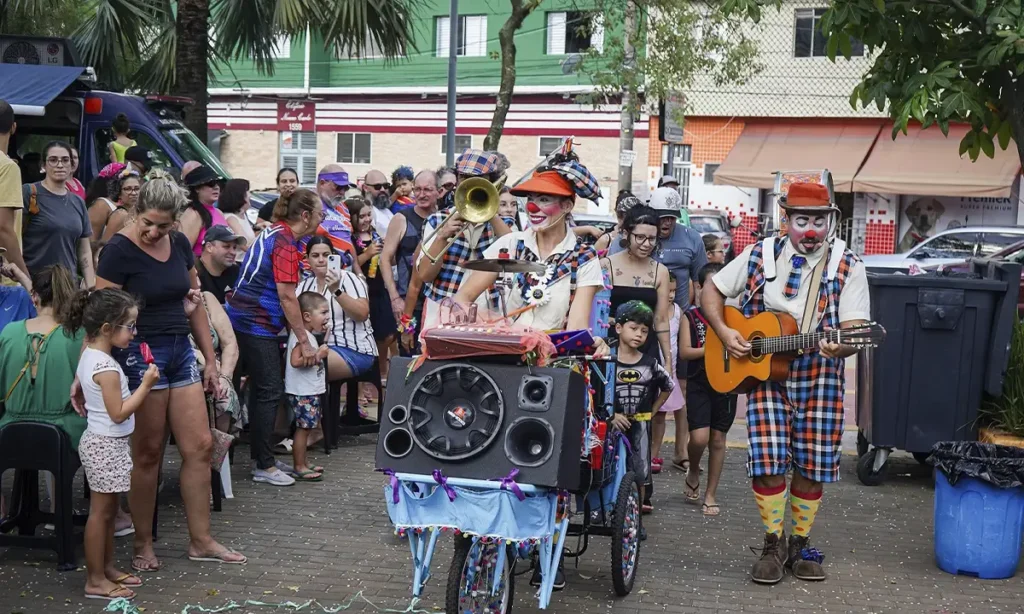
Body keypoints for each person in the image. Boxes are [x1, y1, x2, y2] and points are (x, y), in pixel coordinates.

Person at [702, 181, 870, 584]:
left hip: (820, 374)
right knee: (767, 462)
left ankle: (801, 543)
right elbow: (712, 290)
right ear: (786, 219)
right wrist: (726, 333)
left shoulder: (848, 264)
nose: (810, 230)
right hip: (765, 377)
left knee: (812, 466)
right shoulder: (759, 253)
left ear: (829, 221)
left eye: (818, 221)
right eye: (801, 220)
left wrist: (841, 348)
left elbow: (857, 329)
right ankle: (773, 542)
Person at [95, 170, 244, 572]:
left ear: (176, 222)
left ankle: (201, 540)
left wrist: (211, 360)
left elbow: (193, 298)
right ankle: (143, 543)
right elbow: (102, 317)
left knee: (198, 447)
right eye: (148, 223)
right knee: (148, 452)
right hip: (142, 355)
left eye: (163, 226)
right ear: (136, 212)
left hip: (181, 350)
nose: (153, 232)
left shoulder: (178, 244)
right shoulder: (118, 251)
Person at [227, 188, 324, 487]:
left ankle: (262, 456)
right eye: (319, 213)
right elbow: (286, 295)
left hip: (243, 318)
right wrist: (304, 340)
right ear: (305, 215)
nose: (322, 219)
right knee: (269, 390)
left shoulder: (275, 232)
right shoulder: (283, 242)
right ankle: (263, 466)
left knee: (261, 391)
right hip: (256, 323)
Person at [68, 288, 159, 602]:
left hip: (107, 444)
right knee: (102, 514)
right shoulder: (105, 367)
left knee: (108, 513)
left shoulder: (92, 356)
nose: (134, 333)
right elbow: (118, 413)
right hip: (105, 444)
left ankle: (105, 567)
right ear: (107, 329)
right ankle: (95, 579)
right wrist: (145, 386)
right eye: (129, 326)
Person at [679, 262, 735, 517]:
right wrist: (715, 349)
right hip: (699, 382)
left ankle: (710, 494)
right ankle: (693, 469)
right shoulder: (690, 317)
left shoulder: (733, 317)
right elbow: (685, 352)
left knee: (718, 439)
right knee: (699, 438)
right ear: (699, 288)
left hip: (728, 383)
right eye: (711, 288)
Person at [610, 300, 674, 521]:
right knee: (608, 466)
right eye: (633, 328)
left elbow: (668, 386)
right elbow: (594, 392)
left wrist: (653, 411)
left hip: (641, 427)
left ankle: (634, 521)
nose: (638, 334)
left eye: (644, 331)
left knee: (641, 472)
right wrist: (610, 416)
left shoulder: (650, 364)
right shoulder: (606, 360)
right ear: (619, 328)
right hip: (611, 426)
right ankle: (606, 511)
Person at [297, 236, 376, 381]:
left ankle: (318, 405)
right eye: (315, 256)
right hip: (317, 346)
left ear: (333, 256)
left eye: (326, 255)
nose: (321, 260)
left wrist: (336, 291)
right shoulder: (304, 286)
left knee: (311, 367)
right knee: (291, 363)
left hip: (354, 348)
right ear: (307, 259)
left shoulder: (349, 278)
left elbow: (362, 314)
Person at [21, 141, 95, 286]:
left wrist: (90, 286)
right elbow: (13, 236)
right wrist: (24, 281)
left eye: (65, 160)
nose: (60, 165)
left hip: (68, 286)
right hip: (34, 285)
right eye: (53, 160)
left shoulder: (78, 202)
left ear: (72, 165)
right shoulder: (29, 193)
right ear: (43, 165)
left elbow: (84, 250)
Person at [381, 171, 436, 352]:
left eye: (427, 189)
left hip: (437, 304)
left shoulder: (445, 218)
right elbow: (385, 259)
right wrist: (395, 298)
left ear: (438, 192)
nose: (421, 194)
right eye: (417, 189)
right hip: (408, 304)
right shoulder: (401, 218)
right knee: (408, 355)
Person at [284, 291, 331, 482]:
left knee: (308, 427)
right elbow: (295, 362)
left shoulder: (310, 336)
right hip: (303, 392)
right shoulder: (300, 338)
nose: (327, 317)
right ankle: (299, 466)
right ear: (307, 316)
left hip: (309, 390)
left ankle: (304, 461)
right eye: (324, 312)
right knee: (303, 429)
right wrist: (318, 356)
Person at [349, 197, 395, 389]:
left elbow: (389, 262)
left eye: (369, 215)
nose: (367, 220)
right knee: (369, 336)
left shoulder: (375, 234)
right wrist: (367, 254)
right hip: (362, 292)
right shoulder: (351, 239)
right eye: (362, 216)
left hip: (379, 289)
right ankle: (367, 381)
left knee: (388, 334)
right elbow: (350, 265)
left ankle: (382, 369)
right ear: (352, 218)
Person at [646, 187, 707, 308]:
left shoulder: (692, 238)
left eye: (672, 217)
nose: (668, 222)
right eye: (663, 217)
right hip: (642, 317)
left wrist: (699, 316)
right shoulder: (639, 237)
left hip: (679, 317)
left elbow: (699, 283)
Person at [650, 272, 686, 475]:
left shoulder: (678, 311)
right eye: (667, 290)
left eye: (674, 290)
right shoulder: (653, 311)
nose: (670, 295)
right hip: (652, 367)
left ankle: (654, 453)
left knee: (661, 414)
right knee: (651, 414)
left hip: (668, 368)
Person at [0, 100, 26, 280]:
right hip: (4, 275)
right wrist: (25, 278)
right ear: (13, 127)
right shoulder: (7, 167)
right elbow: (3, 228)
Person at [180, 164, 229, 256]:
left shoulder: (219, 213)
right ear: (197, 188)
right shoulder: (193, 214)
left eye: (218, 183)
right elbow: (183, 252)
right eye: (210, 183)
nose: (216, 187)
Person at [86, 164, 137, 242]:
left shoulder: (133, 207)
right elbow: (91, 240)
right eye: (127, 188)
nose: (133, 193)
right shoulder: (101, 204)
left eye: (136, 188)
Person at [196, 226, 243, 303]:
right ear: (209, 247)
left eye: (234, 247)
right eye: (226, 246)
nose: (233, 252)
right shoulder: (194, 273)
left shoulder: (235, 271)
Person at [218, 178, 256, 250]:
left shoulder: (242, 215)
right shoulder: (231, 219)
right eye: (247, 191)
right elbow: (245, 244)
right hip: (240, 261)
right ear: (240, 195)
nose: (250, 195)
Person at [361, 169, 393, 238]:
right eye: (377, 187)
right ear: (365, 188)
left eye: (385, 186)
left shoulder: (386, 210)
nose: (382, 189)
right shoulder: (366, 212)